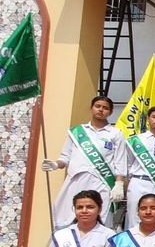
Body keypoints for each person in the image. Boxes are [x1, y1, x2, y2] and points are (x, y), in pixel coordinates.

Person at [41, 96, 127, 230]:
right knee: (68, 215)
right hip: (76, 180)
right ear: (91, 108)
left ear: (110, 112)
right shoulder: (77, 132)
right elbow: (65, 157)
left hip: (101, 182)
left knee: (99, 216)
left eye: (105, 108)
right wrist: (55, 165)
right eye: (98, 106)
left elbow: (120, 161)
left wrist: (119, 184)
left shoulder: (115, 134)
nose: (101, 110)